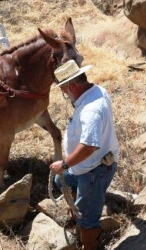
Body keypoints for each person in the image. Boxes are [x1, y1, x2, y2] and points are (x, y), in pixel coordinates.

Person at [49, 60, 119, 250]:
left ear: (72, 85)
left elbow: (89, 146)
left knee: (88, 218)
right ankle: (78, 213)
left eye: (64, 88)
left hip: (94, 170)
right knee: (60, 181)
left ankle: (89, 239)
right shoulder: (97, 91)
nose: (64, 93)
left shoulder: (90, 110)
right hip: (85, 166)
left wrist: (64, 165)